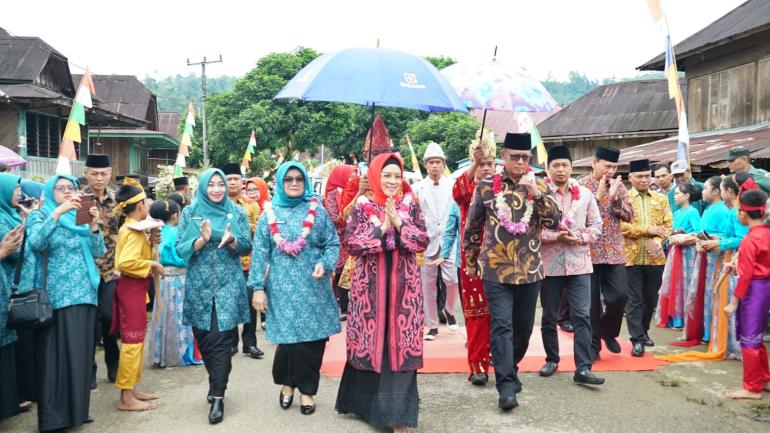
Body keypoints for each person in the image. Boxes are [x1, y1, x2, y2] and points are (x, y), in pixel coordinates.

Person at [464, 132, 561, 410]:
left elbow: (554, 222)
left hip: (530, 271)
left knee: (522, 330)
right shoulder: (485, 185)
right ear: (503, 157)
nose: (520, 162)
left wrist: (536, 194)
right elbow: (472, 228)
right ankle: (505, 385)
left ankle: (511, 368)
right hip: (495, 270)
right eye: (514, 157)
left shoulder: (541, 184)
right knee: (501, 327)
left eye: (525, 157)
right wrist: (471, 261)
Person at [336, 153, 429, 433]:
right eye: (386, 175)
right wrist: (383, 228)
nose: (392, 180)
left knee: (399, 348)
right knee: (372, 345)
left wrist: (399, 225)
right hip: (370, 293)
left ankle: (396, 415)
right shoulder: (362, 208)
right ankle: (366, 406)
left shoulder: (410, 206)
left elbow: (422, 240)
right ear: (376, 176)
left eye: (397, 176)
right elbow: (352, 243)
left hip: (405, 290)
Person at [250, 161, 341, 416]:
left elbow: (332, 244)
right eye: (288, 179)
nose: (293, 183)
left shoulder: (318, 211)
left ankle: (307, 391)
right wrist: (258, 287)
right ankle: (287, 382)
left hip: (314, 287)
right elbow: (260, 254)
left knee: (312, 341)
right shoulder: (269, 214)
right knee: (289, 342)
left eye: (298, 179)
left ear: (305, 182)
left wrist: (325, 263)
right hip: (282, 288)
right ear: (280, 182)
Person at [27, 174, 105, 432]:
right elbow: (37, 243)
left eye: (70, 188)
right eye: (60, 189)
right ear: (50, 193)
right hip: (58, 297)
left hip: (85, 294)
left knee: (81, 356)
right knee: (55, 358)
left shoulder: (78, 219)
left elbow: (98, 252)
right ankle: (54, 418)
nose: (67, 192)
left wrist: (94, 226)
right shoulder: (41, 216)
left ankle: (78, 412)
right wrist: (57, 212)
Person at [176, 168, 253, 424]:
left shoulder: (237, 212)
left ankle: (218, 397)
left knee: (221, 340)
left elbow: (246, 245)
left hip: (228, 285)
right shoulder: (191, 213)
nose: (218, 189)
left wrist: (230, 240)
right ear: (204, 187)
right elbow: (180, 248)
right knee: (205, 339)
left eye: (221, 184)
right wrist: (200, 241)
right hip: (199, 286)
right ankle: (215, 381)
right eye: (212, 185)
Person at [538, 146, 604, 384]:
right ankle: (552, 359)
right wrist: (556, 236)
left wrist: (582, 237)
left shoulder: (585, 194)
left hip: (579, 264)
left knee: (582, 315)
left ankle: (583, 368)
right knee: (549, 315)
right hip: (549, 264)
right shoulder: (540, 194)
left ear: (571, 167)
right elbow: (532, 230)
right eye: (556, 165)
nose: (561, 169)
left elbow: (597, 225)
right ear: (548, 168)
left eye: (565, 165)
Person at [109, 178, 162, 411]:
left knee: (137, 340)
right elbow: (124, 262)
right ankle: (125, 397)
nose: (147, 207)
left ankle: (132, 388)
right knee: (132, 342)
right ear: (139, 205)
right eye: (145, 203)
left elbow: (140, 255)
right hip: (129, 290)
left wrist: (152, 243)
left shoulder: (137, 228)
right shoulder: (129, 229)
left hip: (136, 290)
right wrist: (152, 264)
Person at [451, 128, 496, 386]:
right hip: (473, 263)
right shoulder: (468, 189)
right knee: (477, 314)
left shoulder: (501, 188)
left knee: (497, 315)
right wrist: (474, 164)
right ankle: (477, 366)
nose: (487, 169)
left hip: (501, 262)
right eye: (482, 164)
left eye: (491, 164)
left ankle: (494, 357)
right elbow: (457, 192)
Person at [578, 146, 633, 360]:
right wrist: (600, 197)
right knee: (590, 302)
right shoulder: (581, 186)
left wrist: (615, 198)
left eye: (614, 166)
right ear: (594, 163)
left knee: (619, 295)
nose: (610, 170)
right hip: (588, 251)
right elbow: (577, 217)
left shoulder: (619, 187)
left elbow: (629, 215)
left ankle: (608, 332)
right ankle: (593, 347)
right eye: (607, 165)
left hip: (613, 251)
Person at [622, 159, 672, 357]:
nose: (643, 180)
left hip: (655, 257)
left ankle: (643, 331)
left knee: (650, 299)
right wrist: (647, 230)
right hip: (631, 258)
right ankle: (637, 339)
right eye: (639, 176)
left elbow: (668, 224)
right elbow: (621, 227)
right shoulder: (624, 199)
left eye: (646, 176)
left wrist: (659, 241)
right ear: (631, 178)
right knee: (634, 300)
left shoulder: (661, 199)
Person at [723, 188, 770, 399]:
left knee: (749, 338)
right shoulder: (765, 234)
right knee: (757, 335)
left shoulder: (750, 240)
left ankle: (752, 387)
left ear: (743, 213)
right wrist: (737, 268)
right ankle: (764, 377)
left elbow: (747, 276)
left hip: (754, 290)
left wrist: (733, 302)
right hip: (764, 286)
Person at [414, 142, 459, 340]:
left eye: (438, 162)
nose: (434, 166)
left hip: (449, 241)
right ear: (425, 165)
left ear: (443, 164)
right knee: (428, 286)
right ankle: (432, 325)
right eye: (431, 162)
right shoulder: (417, 188)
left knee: (452, 280)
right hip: (427, 242)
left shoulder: (453, 185)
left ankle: (449, 310)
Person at [83, 154, 121, 387]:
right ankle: (88, 370)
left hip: (110, 270)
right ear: (86, 173)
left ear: (109, 173)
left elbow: (126, 231)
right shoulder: (79, 200)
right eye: (94, 173)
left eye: (104, 173)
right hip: (85, 270)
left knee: (108, 317)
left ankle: (113, 362)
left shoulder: (117, 202)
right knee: (88, 322)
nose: (99, 178)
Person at [148, 199, 201, 368]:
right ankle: (183, 353)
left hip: (162, 281)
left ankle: (162, 353)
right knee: (180, 317)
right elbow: (184, 256)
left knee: (164, 316)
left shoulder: (155, 232)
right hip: (180, 279)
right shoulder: (180, 232)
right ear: (176, 215)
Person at [221, 163, 263, 359]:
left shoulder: (251, 205)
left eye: (235, 179)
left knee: (248, 302)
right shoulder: (217, 204)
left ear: (242, 182)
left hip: (248, 261)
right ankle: (231, 343)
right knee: (229, 302)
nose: (232, 182)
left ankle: (250, 343)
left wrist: (248, 227)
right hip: (226, 262)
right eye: (228, 179)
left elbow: (259, 231)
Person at [0, 173, 28, 421]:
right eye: (14, 188)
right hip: (6, 284)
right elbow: (13, 253)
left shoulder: (10, 215)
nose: (18, 192)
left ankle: (11, 401)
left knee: (8, 345)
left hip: (7, 287)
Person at [657, 182, 701, 330]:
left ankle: (682, 318)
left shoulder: (693, 212)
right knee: (673, 283)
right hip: (675, 250)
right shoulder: (676, 213)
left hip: (687, 252)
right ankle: (674, 318)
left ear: (687, 195)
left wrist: (684, 234)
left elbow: (698, 232)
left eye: (677, 193)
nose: (674, 196)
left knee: (684, 283)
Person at [323, 164, 356, 319]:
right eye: (350, 175)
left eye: (354, 175)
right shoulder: (332, 196)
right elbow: (336, 219)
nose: (353, 178)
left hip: (355, 237)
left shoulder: (356, 191)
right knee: (341, 271)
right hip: (339, 238)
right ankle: (344, 307)